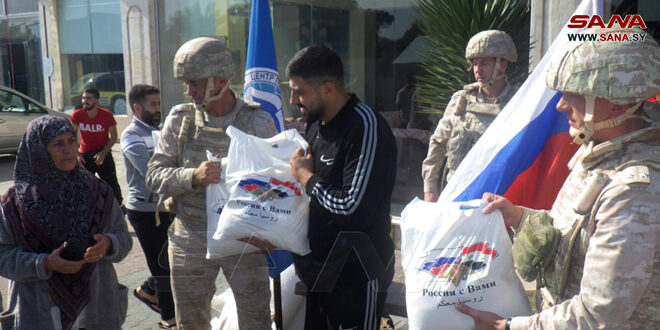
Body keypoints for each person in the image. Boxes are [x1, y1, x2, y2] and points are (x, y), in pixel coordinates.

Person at [456, 27, 660, 329]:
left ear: (617, 102)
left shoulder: (633, 191)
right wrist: (519, 216)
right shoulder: (600, 153)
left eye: (573, 94)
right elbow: (575, 237)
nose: (561, 105)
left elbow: (596, 315)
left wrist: (508, 327)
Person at [145, 37, 276, 330]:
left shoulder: (258, 122)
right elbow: (153, 176)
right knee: (191, 322)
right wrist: (192, 176)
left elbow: (277, 187)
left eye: (195, 83)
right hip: (190, 234)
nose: (188, 91)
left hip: (243, 239)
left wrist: (271, 232)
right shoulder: (180, 120)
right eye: (186, 83)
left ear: (220, 79)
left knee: (256, 321)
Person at [288, 44, 397, 330]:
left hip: (357, 273)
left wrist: (306, 178)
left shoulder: (364, 126)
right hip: (319, 271)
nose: (293, 100)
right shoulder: (315, 124)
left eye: (299, 91)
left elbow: (352, 208)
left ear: (327, 89)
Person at [0, 115, 132, 329]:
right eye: (58, 144)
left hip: (95, 308)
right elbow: (3, 256)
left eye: (71, 140)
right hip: (41, 310)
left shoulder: (98, 191)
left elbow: (123, 238)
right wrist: (44, 264)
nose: (69, 149)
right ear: (39, 150)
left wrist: (108, 244)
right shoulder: (14, 203)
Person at [421, 30, 518, 201]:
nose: (477, 70)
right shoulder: (461, 100)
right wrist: (430, 188)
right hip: (457, 194)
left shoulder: (519, 101)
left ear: (502, 64)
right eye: (474, 64)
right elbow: (438, 143)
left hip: (499, 198)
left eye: (484, 63)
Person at [121, 84, 176, 328]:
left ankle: (147, 290)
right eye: (152, 105)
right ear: (136, 107)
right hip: (145, 212)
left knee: (172, 262)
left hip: (168, 207)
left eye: (158, 104)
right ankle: (169, 319)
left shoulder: (163, 130)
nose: (158, 109)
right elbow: (151, 172)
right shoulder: (131, 135)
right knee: (163, 267)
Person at [71, 88, 123, 206]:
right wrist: (77, 154)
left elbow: (114, 136)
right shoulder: (77, 114)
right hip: (85, 153)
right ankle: (87, 208)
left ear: (96, 101)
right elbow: (71, 136)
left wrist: (103, 153)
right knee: (84, 184)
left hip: (103, 152)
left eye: (89, 98)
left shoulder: (106, 115)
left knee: (111, 183)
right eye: (83, 98)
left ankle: (118, 207)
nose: (85, 101)